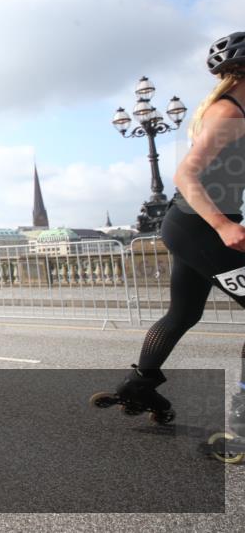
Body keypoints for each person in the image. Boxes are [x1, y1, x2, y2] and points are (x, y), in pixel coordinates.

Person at [109, 32, 245, 431]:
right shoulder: (228, 113)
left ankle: (140, 384)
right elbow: (185, 174)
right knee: (183, 312)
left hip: (190, 226)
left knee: (183, 313)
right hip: (199, 226)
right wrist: (223, 225)